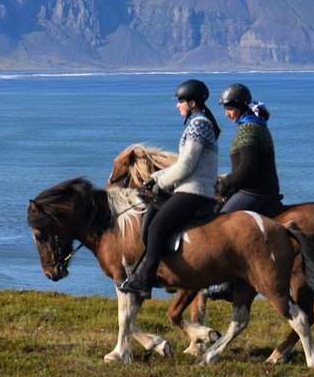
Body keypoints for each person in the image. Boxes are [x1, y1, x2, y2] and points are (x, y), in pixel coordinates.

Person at [119, 79, 220, 299]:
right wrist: (155, 177)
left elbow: (186, 165)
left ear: (192, 103)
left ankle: (145, 280)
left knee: (156, 227)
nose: (177, 105)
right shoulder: (197, 122)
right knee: (152, 214)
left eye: (181, 101)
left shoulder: (199, 124)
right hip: (188, 187)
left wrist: (160, 183)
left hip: (194, 190)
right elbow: (181, 163)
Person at [215, 82, 284, 217]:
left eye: (229, 109)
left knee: (221, 220)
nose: (226, 114)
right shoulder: (258, 124)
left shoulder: (248, 128)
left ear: (241, 107)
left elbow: (248, 167)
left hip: (255, 191)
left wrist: (225, 183)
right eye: (225, 109)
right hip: (258, 188)